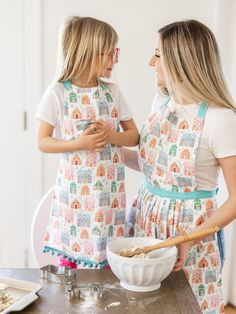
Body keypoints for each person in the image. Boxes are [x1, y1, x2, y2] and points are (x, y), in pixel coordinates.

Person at [125, 19, 236, 313]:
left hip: (191, 236)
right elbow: (154, 170)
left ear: (180, 60)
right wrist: (106, 148)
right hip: (147, 223)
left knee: (187, 306)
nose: (151, 62)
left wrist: (186, 241)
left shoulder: (220, 119)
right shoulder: (161, 104)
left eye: (158, 55)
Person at [36, 16, 139, 269]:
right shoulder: (58, 93)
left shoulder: (112, 92)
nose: (115, 59)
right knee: (68, 256)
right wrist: (79, 143)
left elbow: (134, 136)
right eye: (109, 53)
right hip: (73, 196)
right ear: (88, 52)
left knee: (108, 256)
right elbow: (43, 142)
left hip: (108, 194)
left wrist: (112, 136)